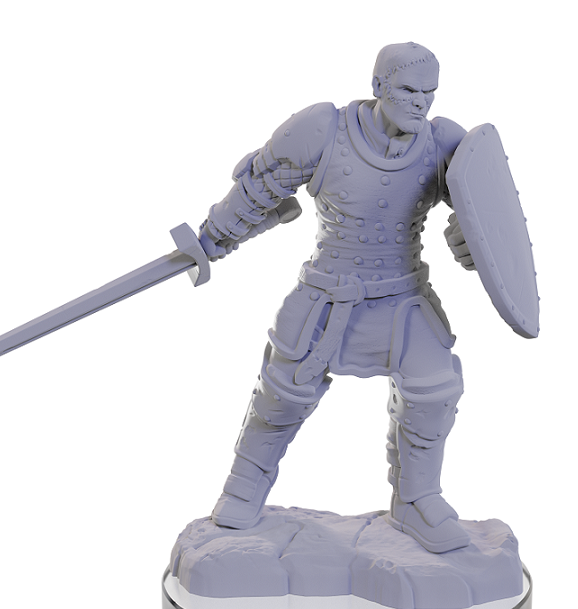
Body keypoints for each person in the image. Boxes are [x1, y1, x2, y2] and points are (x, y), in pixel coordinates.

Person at [197, 42, 478, 553]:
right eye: (408, 90)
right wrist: (216, 234)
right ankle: (244, 487)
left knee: (434, 390)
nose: (420, 102)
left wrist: (469, 240)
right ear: (379, 86)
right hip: (328, 296)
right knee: (283, 393)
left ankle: (417, 499)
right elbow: (262, 186)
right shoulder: (325, 129)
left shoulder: (444, 143)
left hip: (404, 298)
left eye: (430, 92)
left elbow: (481, 215)